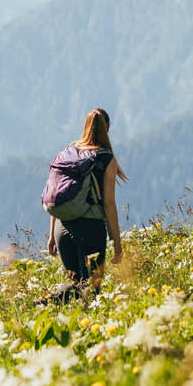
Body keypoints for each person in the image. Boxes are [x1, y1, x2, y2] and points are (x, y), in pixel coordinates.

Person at [44, 108, 125, 299]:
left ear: (85, 127)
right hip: (90, 228)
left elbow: (59, 192)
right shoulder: (106, 160)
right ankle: (47, 304)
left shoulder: (68, 153)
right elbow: (109, 204)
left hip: (62, 227)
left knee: (73, 285)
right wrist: (117, 243)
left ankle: (49, 307)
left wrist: (51, 235)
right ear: (107, 130)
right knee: (91, 289)